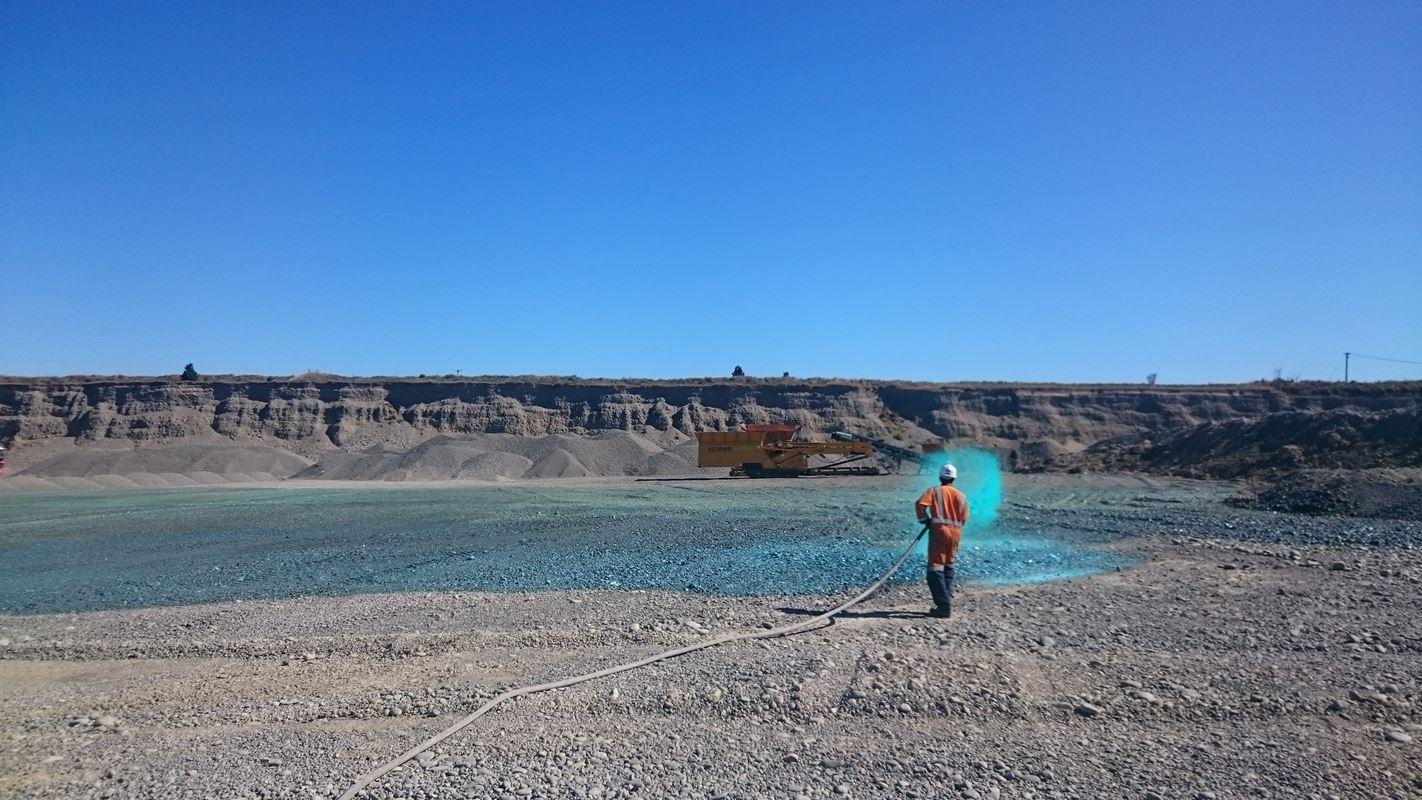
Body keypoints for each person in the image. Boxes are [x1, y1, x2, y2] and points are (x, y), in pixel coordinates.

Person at [914, 463, 969, 618]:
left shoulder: (935, 491)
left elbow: (920, 505)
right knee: (949, 564)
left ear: (940, 477)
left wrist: (925, 520)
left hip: (939, 532)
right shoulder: (961, 496)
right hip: (956, 533)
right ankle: (948, 597)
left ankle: (943, 606)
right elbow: (964, 517)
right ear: (954, 478)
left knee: (935, 568)